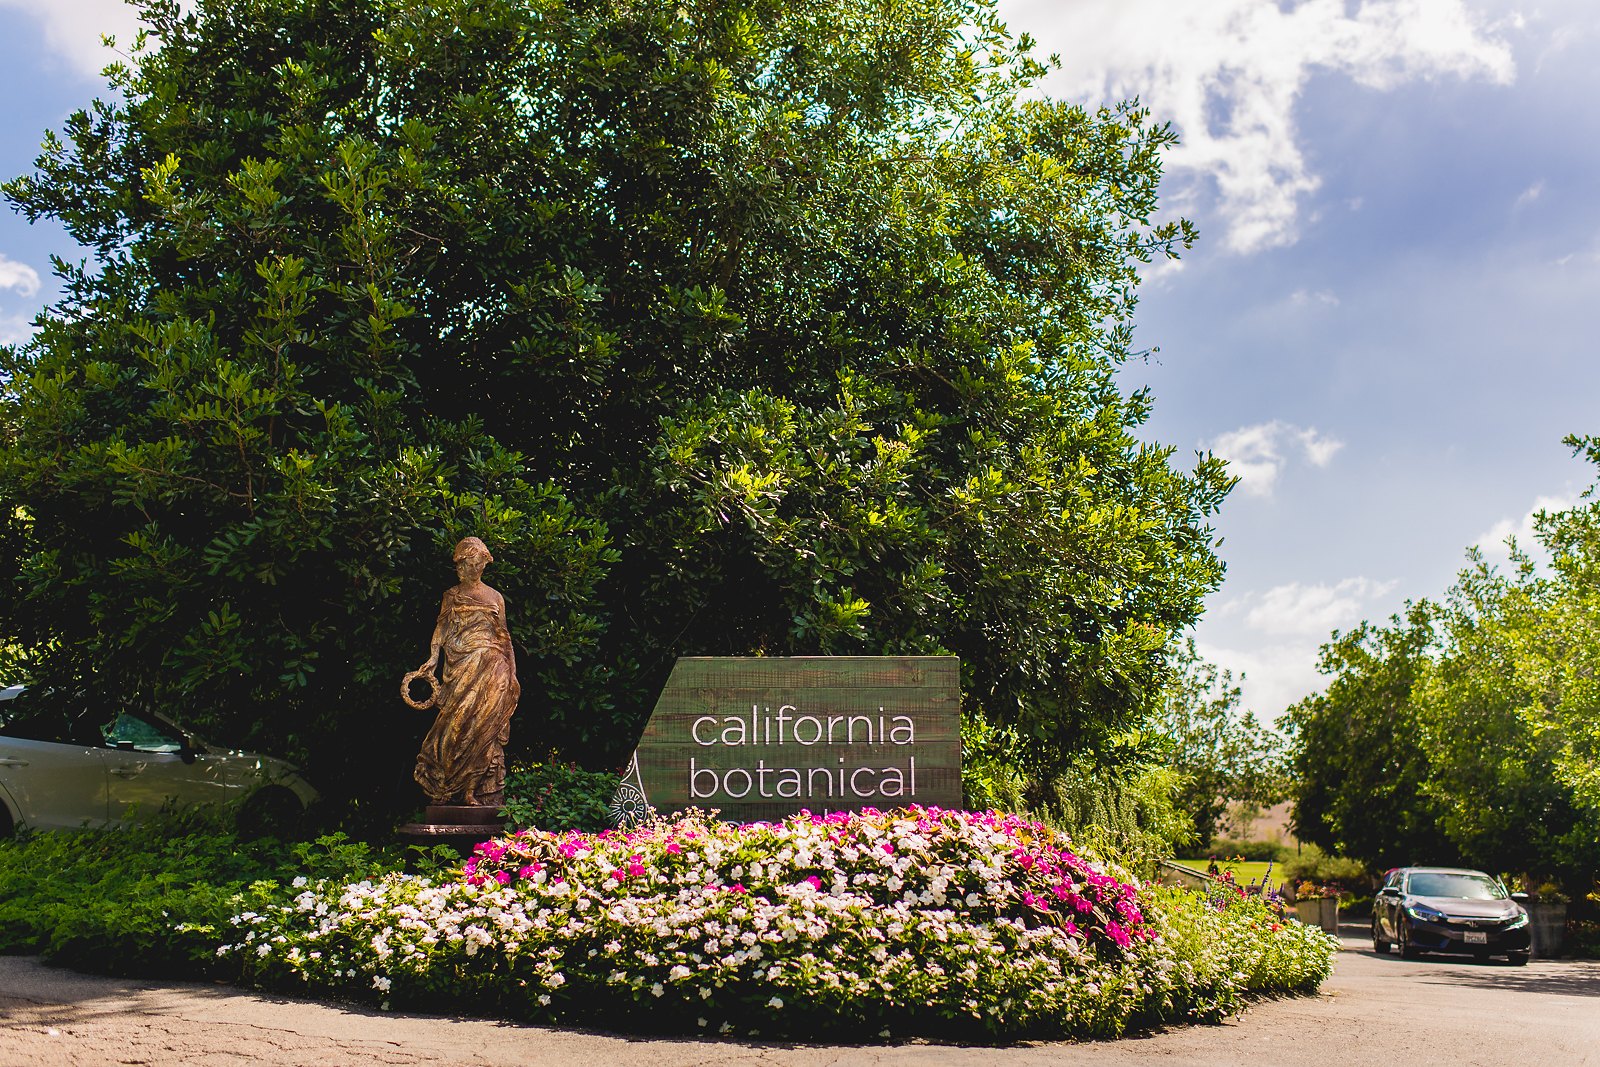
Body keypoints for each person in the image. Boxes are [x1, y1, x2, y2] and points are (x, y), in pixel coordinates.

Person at [411, 537, 521, 806]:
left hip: (494, 667)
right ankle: (446, 787)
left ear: (482, 564)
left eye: (470, 563)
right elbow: (442, 628)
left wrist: (512, 673)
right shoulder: (452, 595)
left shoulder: (495, 597)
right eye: (461, 564)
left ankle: (472, 790)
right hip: (462, 667)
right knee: (456, 725)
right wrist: (433, 658)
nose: (464, 569)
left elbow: (504, 636)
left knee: (485, 727)